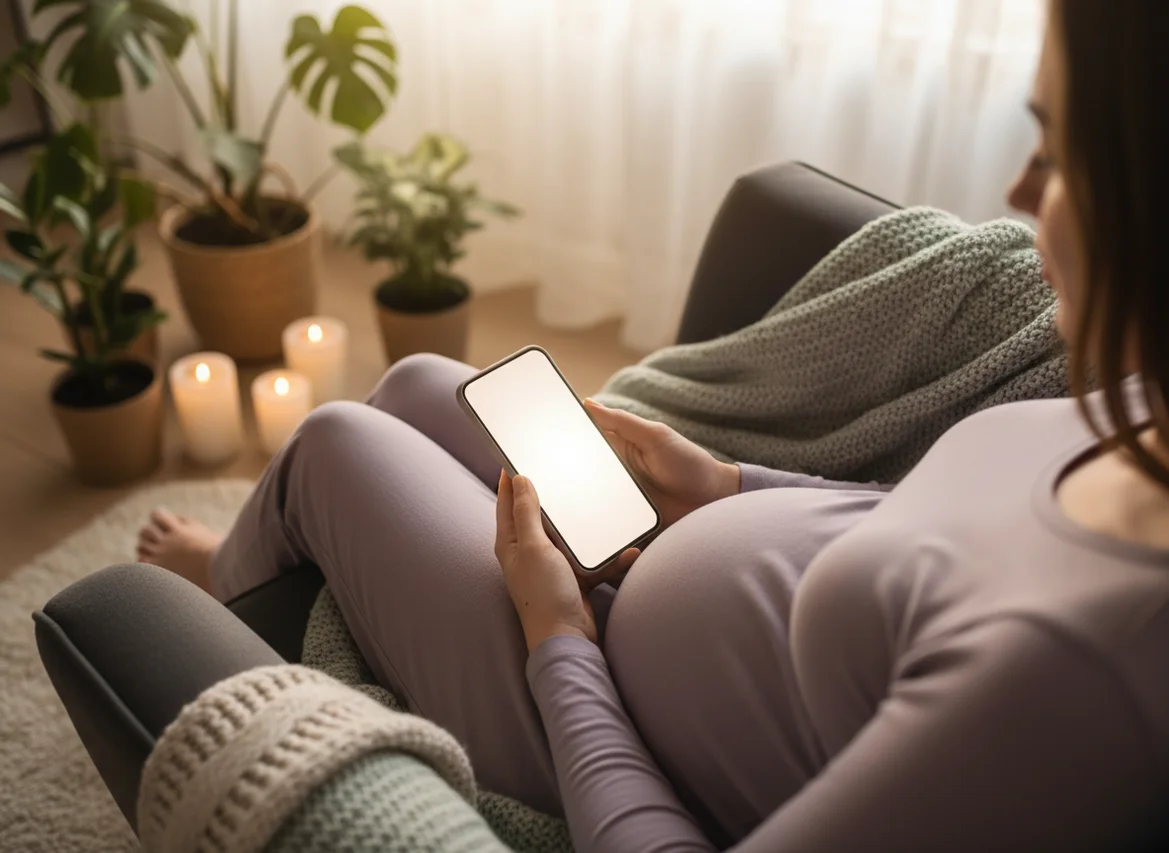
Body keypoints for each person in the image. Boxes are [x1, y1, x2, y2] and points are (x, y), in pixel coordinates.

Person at [137, 1, 1169, 848]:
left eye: (1059, 152)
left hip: (610, 722)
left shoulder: (1071, 671)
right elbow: (928, 525)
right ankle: (243, 564)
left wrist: (558, 641)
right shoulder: (1138, 405)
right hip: (656, 574)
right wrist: (727, 486)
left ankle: (227, 602)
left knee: (332, 443)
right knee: (415, 384)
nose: (1018, 191)